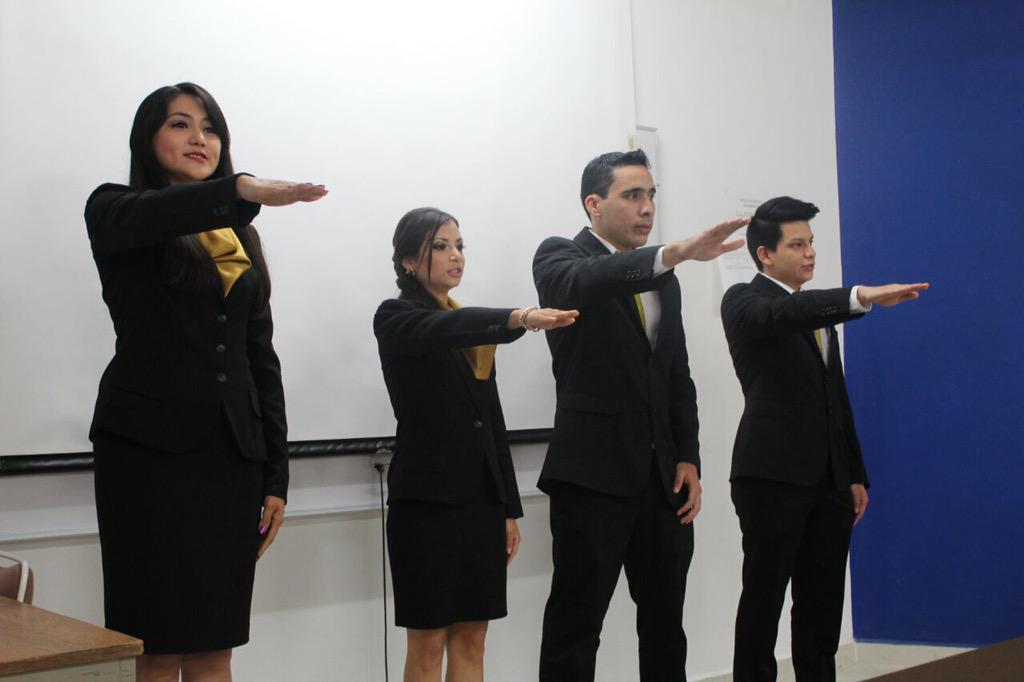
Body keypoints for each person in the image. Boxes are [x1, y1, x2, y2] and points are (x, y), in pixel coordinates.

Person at [85, 82, 327, 682]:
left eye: (211, 128)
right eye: (181, 125)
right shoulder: (116, 209)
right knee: (159, 642)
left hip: (230, 458)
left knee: (215, 643)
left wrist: (276, 472)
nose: (200, 139)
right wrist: (240, 189)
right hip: (148, 458)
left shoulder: (239, 235)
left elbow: (258, 356)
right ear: (149, 137)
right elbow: (160, 214)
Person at [532, 149, 748, 682]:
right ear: (594, 203)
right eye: (633, 195)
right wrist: (670, 254)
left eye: (652, 195)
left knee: (665, 624)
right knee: (576, 625)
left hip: (660, 480)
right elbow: (588, 282)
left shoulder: (663, 277)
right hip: (592, 476)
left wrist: (688, 457)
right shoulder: (560, 256)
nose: (647, 208)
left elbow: (676, 375)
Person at [720, 196, 927, 682]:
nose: (810, 253)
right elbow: (784, 316)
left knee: (822, 602)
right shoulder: (746, 301)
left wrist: (852, 473)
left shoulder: (815, 314)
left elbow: (836, 399)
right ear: (765, 255)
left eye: (811, 242)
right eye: (797, 244)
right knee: (763, 600)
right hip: (770, 477)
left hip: (829, 481)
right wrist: (861, 295)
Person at [373, 207, 577, 682]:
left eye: (460, 245)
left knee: (473, 637)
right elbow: (442, 330)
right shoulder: (397, 316)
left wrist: (506, 507)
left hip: (480, 503)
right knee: (427, 643)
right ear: (407, 261)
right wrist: (520, 317)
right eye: (440, 246)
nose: (455, 256)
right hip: (425, 505)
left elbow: (490, 422)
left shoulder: (471, 327)